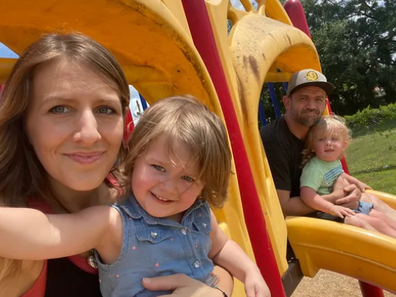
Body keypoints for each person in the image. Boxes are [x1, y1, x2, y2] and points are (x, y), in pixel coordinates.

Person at [0, 33, 233, 297]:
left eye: (105, 109)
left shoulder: (150, 195)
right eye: (60, 109)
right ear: (24, 125)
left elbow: (211, 258)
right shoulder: (16, 252)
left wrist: (217, 291)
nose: (89, 134)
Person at [0, 96, 270, 297]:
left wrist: (249, 271)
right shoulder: (114, 224)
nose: (170, 187)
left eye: (187, 178)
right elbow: (45, 231)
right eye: (159, 168)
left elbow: (220, 247)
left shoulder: (199, 212)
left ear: (204, 182)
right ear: (135, 158)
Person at [260, 69, 396, 221]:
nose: (311, 106)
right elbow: (283, 207)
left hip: (326, 204)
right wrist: (336, 197)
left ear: (324, 103)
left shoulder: (318, 129)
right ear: (287, 103)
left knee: (374, 202)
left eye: (318, 99)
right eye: (303, 98)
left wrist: (353, 191)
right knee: (364, 221)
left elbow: (333, 172)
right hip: (300, 220)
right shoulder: (273, 140)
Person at [300, 115, 396, 238]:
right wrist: (331, 207)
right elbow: (306, 194)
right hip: (329, 212)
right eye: (321, 139)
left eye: (334, 139)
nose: (328, 143)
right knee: (371, 222)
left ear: (343, 145)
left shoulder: (333, 161)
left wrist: (357, 182)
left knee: (380, 217)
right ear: (312, 146)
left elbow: (340, 173)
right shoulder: (314, 168)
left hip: (346, 205)